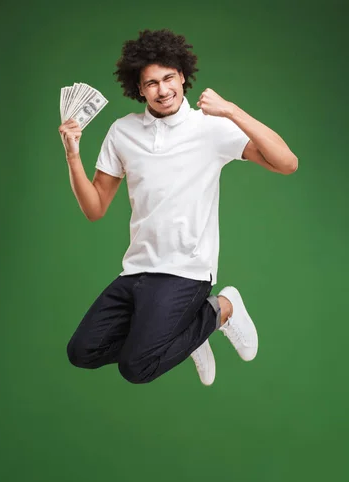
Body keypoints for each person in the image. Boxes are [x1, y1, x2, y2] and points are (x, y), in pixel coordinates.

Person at [58, 29, 298, 386]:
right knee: (82, 351)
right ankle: (186, 337)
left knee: (135, 368)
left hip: (186, 271)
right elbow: (95, 208)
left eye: (169, 77)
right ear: (139, 89)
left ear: (183, 75)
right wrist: (72, 154)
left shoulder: (211, 127)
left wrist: (231, 111)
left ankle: (221, 310)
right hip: (137, 268)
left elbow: (286, 162)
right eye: (151, 83)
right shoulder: (123, 132)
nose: (163, 89)